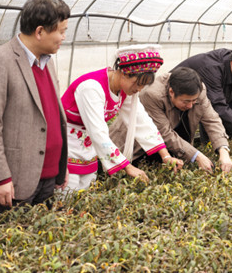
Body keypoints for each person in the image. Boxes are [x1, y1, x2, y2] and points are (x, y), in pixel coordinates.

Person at [0, 0, 70, 221]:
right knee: (10, 249)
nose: (63, 37)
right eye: (60, 31)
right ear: (39, 32)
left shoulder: (47, 62)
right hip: (14, 183)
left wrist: (61, 166)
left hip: (48, 178)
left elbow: (51, 116)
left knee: (39, 248)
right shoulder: (0, 61)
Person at [61, 44, 183, 192]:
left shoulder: (123, 91)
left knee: (84, 195)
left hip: (88, 149)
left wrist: (165, 156)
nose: (138, 89)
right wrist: (128, 167)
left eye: (142, 86)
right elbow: (98, 132)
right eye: (137, 84)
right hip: (66, 145)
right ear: (124, 73)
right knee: (67, 194)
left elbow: (141, 121)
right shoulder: (91, 88)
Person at [111, 67, 232, 173]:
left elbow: (211, 119)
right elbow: (165, 134)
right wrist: (197, 156)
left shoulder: (198, 90)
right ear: (171, 92)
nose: (190, 105)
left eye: (193, 101)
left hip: (165, 146)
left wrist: (223, 150)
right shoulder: (152, 95)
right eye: (186, 101)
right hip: (137, 146)